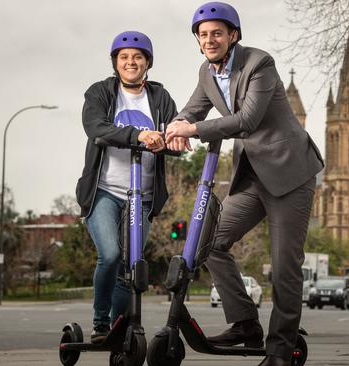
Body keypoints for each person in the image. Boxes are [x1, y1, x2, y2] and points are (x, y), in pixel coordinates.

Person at [165, 3, 323, 365]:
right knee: (210, 242)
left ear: (233, 35)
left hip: (290, 174)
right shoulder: (207, 72)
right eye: (203, 35)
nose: (210, 40)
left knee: (285, 266)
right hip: (252, 177)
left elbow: (247, 119)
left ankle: (280, 352)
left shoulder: (259, 64)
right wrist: (171, 130)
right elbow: (191, 111)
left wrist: (193, 130)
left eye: (217, 33)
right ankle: (245, 323)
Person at [76, 31, 177, 344]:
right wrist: (140, 136)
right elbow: (97, 129)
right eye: (124, 57)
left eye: (138, 57)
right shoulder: (100, 93)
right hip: (104, 191)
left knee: (130, 264)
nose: (131, 62)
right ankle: (100, 323)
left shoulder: (160, 98)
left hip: (143, 196)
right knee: (109, 254)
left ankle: (121, 328)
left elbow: (173, 135)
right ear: (116, 63)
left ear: (147, 62)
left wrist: (170, 141)